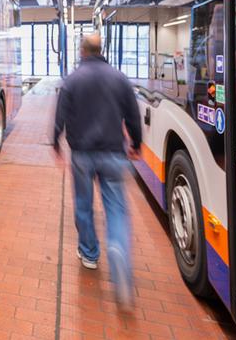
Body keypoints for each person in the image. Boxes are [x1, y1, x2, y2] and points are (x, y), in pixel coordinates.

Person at [53, 33, 142, 308]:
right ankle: (118, 250)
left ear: (82, 51)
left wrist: (55, 140)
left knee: (83, 205)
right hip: (114, 152)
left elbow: (61, 114)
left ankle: (90, 254)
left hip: (81, 153)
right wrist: (136, 143)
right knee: (116, 208)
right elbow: (133, 115)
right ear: (101, 49)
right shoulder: (119, 78)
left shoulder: (73, 80)